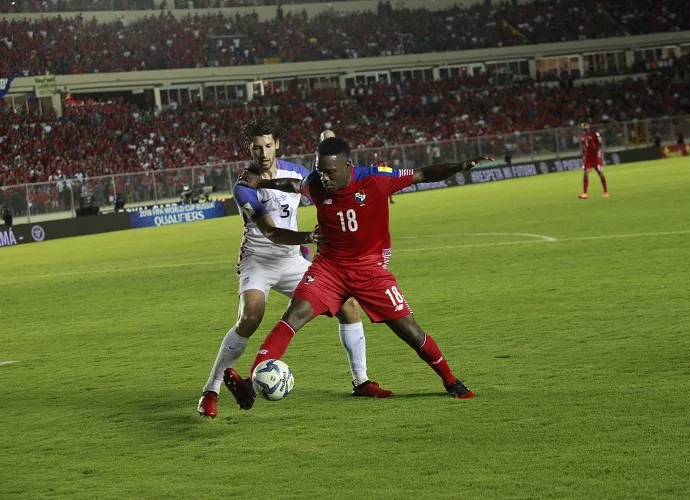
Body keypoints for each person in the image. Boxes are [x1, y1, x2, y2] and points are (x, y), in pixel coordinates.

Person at [225, 137, 494, 410]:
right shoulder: (316, 183)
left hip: (369, 270)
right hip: (329, 267)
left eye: (330, 172)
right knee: (293, 316)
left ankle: (450, 380)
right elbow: (296, 185)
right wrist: (261, 183)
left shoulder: (376, 179)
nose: (323, 178)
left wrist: (459, 166)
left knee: (410, 332)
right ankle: (251, 381)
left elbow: (423, 174)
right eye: (319, 171)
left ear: (347, 166)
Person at [197, 119, 392, 418]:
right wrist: (309, 237)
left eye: (268, 145)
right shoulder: (244, 187)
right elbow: (272, 232)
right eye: (256, 147)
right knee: (250, 317)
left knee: (349, 306)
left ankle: (361, 381)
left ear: (277, 145)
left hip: (291, 260)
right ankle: (211, 390)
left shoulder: (296, 172)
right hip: (258, 260)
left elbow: (329, 187)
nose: (263, 153)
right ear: (249, 149)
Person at [578, 122, 609, 199]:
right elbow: (583, 148)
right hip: (588, 158)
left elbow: (600, 144)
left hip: (595, 157)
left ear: (588, 126)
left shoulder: (594, 134)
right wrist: (583, 157)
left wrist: (601, 155)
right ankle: (585, 193)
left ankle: (605, 191)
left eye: (586, 126)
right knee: (585, 173)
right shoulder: (582, 137)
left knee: (600, 173)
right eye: (583, 126)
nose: (585, 127)